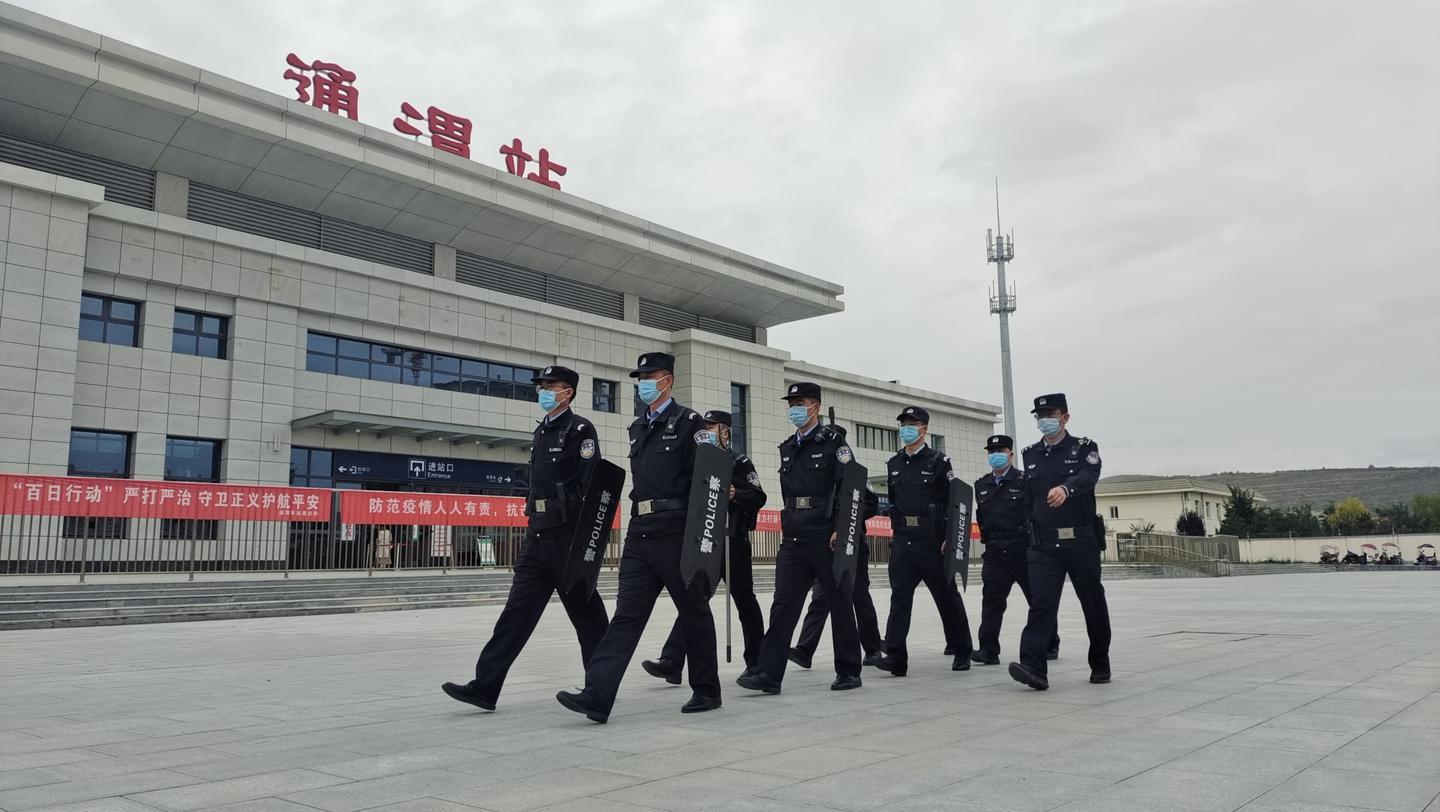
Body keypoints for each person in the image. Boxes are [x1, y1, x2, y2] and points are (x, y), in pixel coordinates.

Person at [556, 352, 722, 722]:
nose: (644, 382)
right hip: (641, 531)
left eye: (651, 376)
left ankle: (707, 690)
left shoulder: (689, 424)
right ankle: (597, 696)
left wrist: (702, 537)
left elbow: (707, 480)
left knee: (693, 610)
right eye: (640, 376)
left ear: (668, 381)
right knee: (626, 616)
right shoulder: (638, 427)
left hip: (677, 533)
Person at [441, 366, 609, 711]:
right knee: (515, 614)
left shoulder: (579, 430)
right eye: (542, 386)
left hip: (568, 539)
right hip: (538, 537)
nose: (544, 391)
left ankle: (599, 690)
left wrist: (587, 542)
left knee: (588, 617)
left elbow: (594, 485)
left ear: (569, 392)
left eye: (551, 386)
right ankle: (485, 687)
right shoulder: (542, 432)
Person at [738, 382, 863, 694]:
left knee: (839, 603)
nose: (795, 408)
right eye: (791, 403)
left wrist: (843, 528)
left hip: (826, 536)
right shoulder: (787, 448)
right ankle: (768, 674)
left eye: (801, 402)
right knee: (783, 605)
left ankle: (848, 670)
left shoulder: (835, 444)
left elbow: (852, 490)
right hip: (794, 536)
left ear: (815, 407)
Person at [642, 409, 768, 682]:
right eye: (705, 426)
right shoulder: (698, 461)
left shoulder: (739, 462)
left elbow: (759, 496)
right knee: (692, 600)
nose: (708, 431)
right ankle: (672, 661)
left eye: (713, 427)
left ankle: (758, 662)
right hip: (706, 540)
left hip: (732, 540)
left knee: (745, 601)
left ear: (725, 431)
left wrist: (736, 493)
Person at [1009, 393, 1112, 691]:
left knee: (1092, 602)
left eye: (1051, 414)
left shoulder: (1084, 448)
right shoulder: (1030, 454)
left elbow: (1089, 474)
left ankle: (1100, 662)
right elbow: (1027, 499)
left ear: (1065, 417)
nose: (1045, 420)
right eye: (1040, 416)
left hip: (1080, 540)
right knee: (1041, 604)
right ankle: (1033, 667)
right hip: (1044, 545)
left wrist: (1067, 489)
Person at [873, 406, 973, 676]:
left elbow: (955, 502)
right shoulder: (894, 464)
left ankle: (963, 650)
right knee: (899, 599)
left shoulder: (939, 462)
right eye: (904, 423)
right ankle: (896, 658)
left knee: (947, 596)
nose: (907, 428)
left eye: (913, 423)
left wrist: (951, 539)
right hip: (904, 540)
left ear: (924, 429)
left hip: (932, 541)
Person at [971, 434, 1058, 665]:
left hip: (1023, 550)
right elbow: (981, 518)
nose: (995, 455)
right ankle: (988, 649)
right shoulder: (981, 485)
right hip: (996, 552)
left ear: (1010, 454)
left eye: (1001, 450)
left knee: (1037, 599)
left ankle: (1050, 643)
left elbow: (1036, 512)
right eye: (991, 451)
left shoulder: (1024, 480)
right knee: (991, 601)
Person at [787, 483, 884, 669]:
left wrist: (845, 523)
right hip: (824, 546)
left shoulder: (851, 473)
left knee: (859, 596)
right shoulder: (818, 477)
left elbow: (871, 504)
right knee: (820, 598)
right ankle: (805, 649)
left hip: (851, 544)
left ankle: (872, 649)